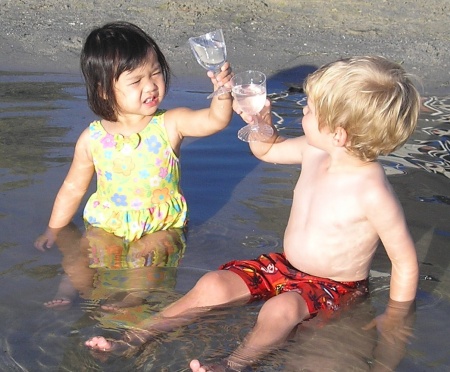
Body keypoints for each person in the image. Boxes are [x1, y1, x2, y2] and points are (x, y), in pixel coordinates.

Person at [85, 55, 421, 371]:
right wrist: (261, 125)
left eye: (312, 108)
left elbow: (404, 261)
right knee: (213, 283)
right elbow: (269, 150)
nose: (304, 108)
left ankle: (235, 363)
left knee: (281, 309)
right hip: (285, 266)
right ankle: (136, 336)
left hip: (334, 286)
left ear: (339, 133)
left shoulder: (372, 191)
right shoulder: (315, 149)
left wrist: (396, 315)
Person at [34, 21, 233, 308]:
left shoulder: (169, 123)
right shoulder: (92, 138)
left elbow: (215, 121)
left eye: (155, 73)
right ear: (103, 90)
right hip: (108, 222)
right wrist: (54, 229)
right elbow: (72, 187)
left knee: (149, 254)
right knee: (85, 250)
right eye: (136, 81)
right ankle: (70, 291)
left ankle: (133, 297)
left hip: (160, 225)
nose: (151, 85)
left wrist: (223, 93)